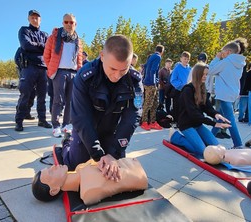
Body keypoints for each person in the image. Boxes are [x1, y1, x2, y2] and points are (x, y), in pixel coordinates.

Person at [63, 35, 142, 176]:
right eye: (112, 68)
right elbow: (80, 118)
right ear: (102, 56)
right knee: (75, 167)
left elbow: (132, 117)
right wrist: (98, 154)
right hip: (87, 129)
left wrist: (114, 153)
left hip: (111, 131)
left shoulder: (134, 80)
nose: (117, 75)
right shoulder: (85, 76)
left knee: (115, 170)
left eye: (123, 70)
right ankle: (66, 143)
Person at [169, 63, 231, 158]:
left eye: (206, 74)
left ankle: (197, 140)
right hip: (186, 124)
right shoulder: (187, 90)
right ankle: (176, 137)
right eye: (203, 74)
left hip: (197, 124)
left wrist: (216, 114)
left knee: (217, 146)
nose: (205, 77)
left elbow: (207, 107)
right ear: (197, 74)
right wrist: (214, 124)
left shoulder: (202, 88)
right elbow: (193, 113)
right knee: (203, 151)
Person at [32, 157, 148, 205]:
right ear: (54, 190)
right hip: (139, 174)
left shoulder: (79, 168)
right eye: (51, 172)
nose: (53, 166)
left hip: (133, 165)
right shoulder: (88, 191)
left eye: (49, 168)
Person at [43, 13, 83, 138]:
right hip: (59, 72)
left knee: (71, 101)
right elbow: (46, 55)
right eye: (66, 22)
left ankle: (66, 124)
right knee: (58, 100)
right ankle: (56, 125)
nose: (69, 24)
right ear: (62, 23)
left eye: (71, 22)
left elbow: (79, 58)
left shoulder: (78, 40)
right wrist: (51, 70)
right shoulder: (54, 38)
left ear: (75, 25)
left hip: (73, 73)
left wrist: (79, 72)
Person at [14, 10, 52, 131]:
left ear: (40, 20)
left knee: (42, 96)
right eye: (32, 18)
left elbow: (48, 49)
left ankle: (42, 119)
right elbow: (26, 45)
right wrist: (42, 46)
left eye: (37, 18)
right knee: (25, 94)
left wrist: (37, 46)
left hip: (43, 68)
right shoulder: (24, 30)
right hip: (29, 67)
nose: (35, 20)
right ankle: (19, 121)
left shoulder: (45, 34)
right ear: (29, 19)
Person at [208, 41, 246, 148]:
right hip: (232, 93)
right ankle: (210, 138)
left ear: (229, 52)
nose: (221, 53)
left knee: (229, 120)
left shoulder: (226, 62)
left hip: (224, 94)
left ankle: (238, 144)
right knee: (220, 118)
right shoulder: (240, 63)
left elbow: (210, 70)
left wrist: (216, 58)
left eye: (223, 51)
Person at [140, 45, 164, 131]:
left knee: (154, 103)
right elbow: (153, 70)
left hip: (149, 82)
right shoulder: (157, 57)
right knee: (149, 103)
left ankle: (153, 121)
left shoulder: (151, 57)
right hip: (151, 83)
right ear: (162, 51)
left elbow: (145, 66)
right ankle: (144, 122)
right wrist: (154, 83)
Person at [14, 47, 36, 120]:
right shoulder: (21, 48)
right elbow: (16, 59)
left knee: (32, 94)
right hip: (24, 74)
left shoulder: (35, 50)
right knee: (24, 94)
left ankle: (27, 113)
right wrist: (23, 67)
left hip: (34, 74)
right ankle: (19, 114)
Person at [170, 51, 191, 123]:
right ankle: (177, 122)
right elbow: (173, 80)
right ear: (181, 59)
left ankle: (184, 121)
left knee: (186, 107)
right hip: (178, 91)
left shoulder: (189, 69)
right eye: (185, 58)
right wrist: (182, 85)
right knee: (177, 107)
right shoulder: (177, 68)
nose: (186, 60)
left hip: (187, 91)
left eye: (188, 59)